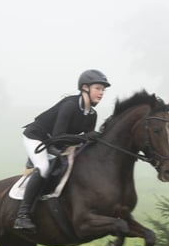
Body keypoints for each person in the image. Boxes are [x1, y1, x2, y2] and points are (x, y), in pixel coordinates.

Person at [13, 69, 111, 231]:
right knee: (44, 168)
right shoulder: (70, 105)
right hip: (37, 137)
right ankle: (22, 216)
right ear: (85, 88)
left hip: (56, 143)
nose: (101, 93)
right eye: (98, 88)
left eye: (103, 90)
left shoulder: (92, 114)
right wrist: (86, 137)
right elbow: (59, 136)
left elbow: (83, 142)